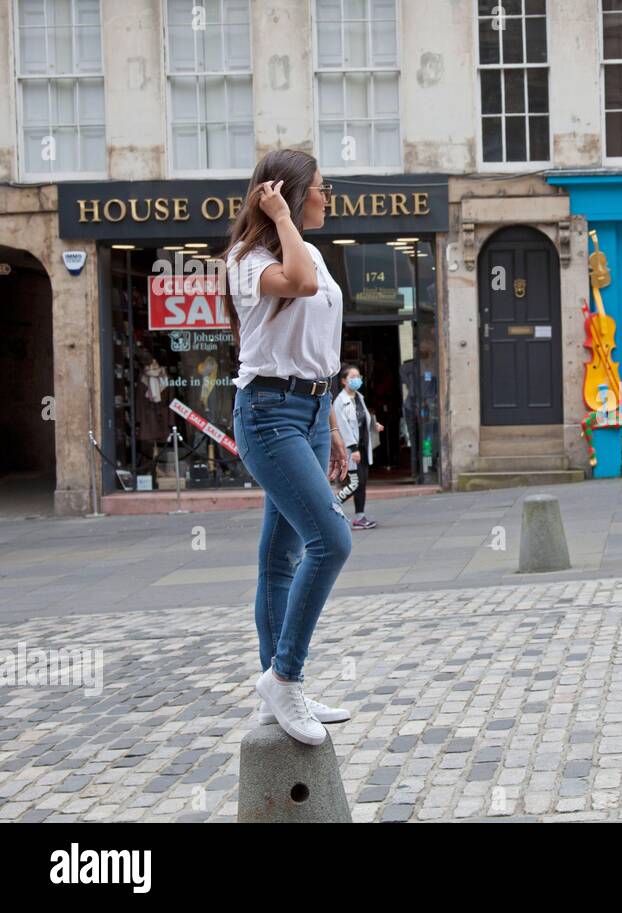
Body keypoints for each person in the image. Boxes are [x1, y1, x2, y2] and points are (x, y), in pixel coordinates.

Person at [223, 149, 354, 746]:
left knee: (279, 558)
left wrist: (328, 423)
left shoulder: (314, 253)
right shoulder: (248, 261)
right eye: (322, 189)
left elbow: (319, 343)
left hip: (306, 410)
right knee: (330, 540)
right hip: (267, 415)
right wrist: (278, 219)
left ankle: (277, 693)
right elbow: (298, 286)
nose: (330, 197)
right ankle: (285, 676)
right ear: (294, 195)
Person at [332, 364, 383, 529]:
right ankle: (331, 506)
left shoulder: (359, 397)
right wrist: (353, 449)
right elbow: (343, 426)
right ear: (343, 381)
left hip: (362, 448)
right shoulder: (340, 402)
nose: (357, 380)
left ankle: (360, 517)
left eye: (358, 377)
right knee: (355, 483)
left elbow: (363, 419)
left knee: (362, 483)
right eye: (352, 377)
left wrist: (374, 425)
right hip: (351, 449)